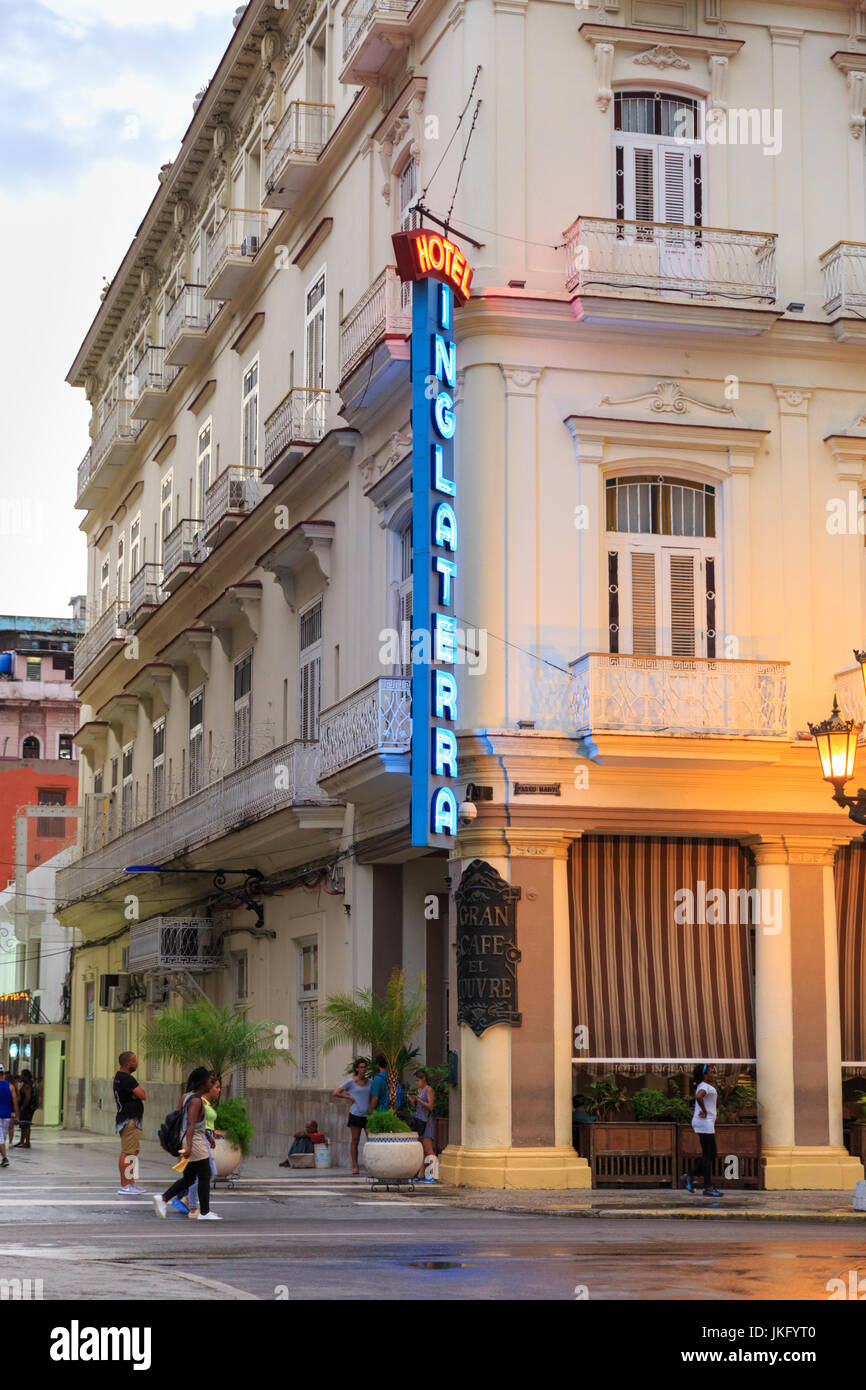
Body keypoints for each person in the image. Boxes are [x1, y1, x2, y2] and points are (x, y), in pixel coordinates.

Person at [153, 1067, 221, 1221]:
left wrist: (207, 1136)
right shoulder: (196, 1101)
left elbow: (190, 1121)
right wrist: (189, 1146)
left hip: (193, 1138)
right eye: (209, 1080)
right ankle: (204, 1212)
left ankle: (163, 1198)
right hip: (195, 1142)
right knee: (205, 1175)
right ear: (203, 1082)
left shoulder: (187, 1097)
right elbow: (190, 1123)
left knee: (189, 1178)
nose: (211, 1082)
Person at [684, 1062, 721, 1197]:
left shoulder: (703, 1085)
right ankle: (695, 1178)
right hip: (705, 1123)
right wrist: (704, 1111)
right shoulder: (704, 1086)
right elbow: (699, 1097)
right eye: (711, 1072)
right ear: (704, 1075)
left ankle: (701, 1182)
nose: (713, 1074)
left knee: (709, 1155)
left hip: (703, 1123)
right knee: (710, 1154)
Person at [113, 1051, 147, 1196]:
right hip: (129, 1119)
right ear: (128, 1064)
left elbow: (138, 1095)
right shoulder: (127, 1079)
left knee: (133, 1151)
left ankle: (131, 1183)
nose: (137, 1063)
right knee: (127, 1152)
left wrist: (135, 1095)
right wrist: (135, 1095)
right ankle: (125, 1185)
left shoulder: (120, 1077)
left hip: (131, 1119)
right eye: (135, 1061)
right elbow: (143, 1095)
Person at [333, 1059, 371, 1175]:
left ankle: (371, 1165)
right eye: (361, 1067)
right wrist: (349, 1097)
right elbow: (336, 1092)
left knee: (371, 1141)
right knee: (355, 1140)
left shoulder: (371, 1082)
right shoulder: (351, 1082)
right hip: (355, 1114)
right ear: (356, 1069)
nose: (363, 1069)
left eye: (365, 1067)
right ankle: (355, 1166)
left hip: (368, 1115)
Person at [410, 1068, 437, 1183]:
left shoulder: (428, 1090)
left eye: (417, 1080)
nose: (416, 1083)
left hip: (426, 1122)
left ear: (423, 1078)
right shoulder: (420, 1090)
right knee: (421, 1150)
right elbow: (417, 1105)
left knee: (429, 1150)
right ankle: (420, 1174)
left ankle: (432, 1174)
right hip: (419, 1121)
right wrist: (413, 1099)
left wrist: (418, 1100)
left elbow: (430, 1106)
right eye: (415, 1081)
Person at [0, 1066, 19, 1169]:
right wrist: (16, 1115)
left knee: (0, 1138)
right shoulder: (10, 1086)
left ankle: (5, 1158)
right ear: (3, 1074)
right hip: (7, 1115)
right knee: (2, 1136)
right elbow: (15, 1101)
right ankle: (3, 1158)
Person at [14, 1070, 37, 1149]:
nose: (21, 1076)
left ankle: (27, 1142)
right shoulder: (27, 1084)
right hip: (26, 1107)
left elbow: (27, 1098)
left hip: (27, 1108)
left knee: (26, 1124)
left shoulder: (27, 1085)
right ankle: (22, 1141)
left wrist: (23, 1107)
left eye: (22, 1075)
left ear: (26, 1076)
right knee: (23, 1124)